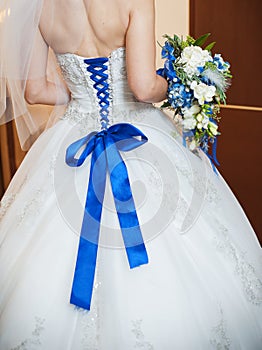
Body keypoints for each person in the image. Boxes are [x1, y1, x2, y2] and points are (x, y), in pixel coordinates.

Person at [0, 0, 261, 348]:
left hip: (73, 135)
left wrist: (82, 98)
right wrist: (181, 83)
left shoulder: (40, 7)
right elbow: (142, 87)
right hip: (137, 132)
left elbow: (35, 91)